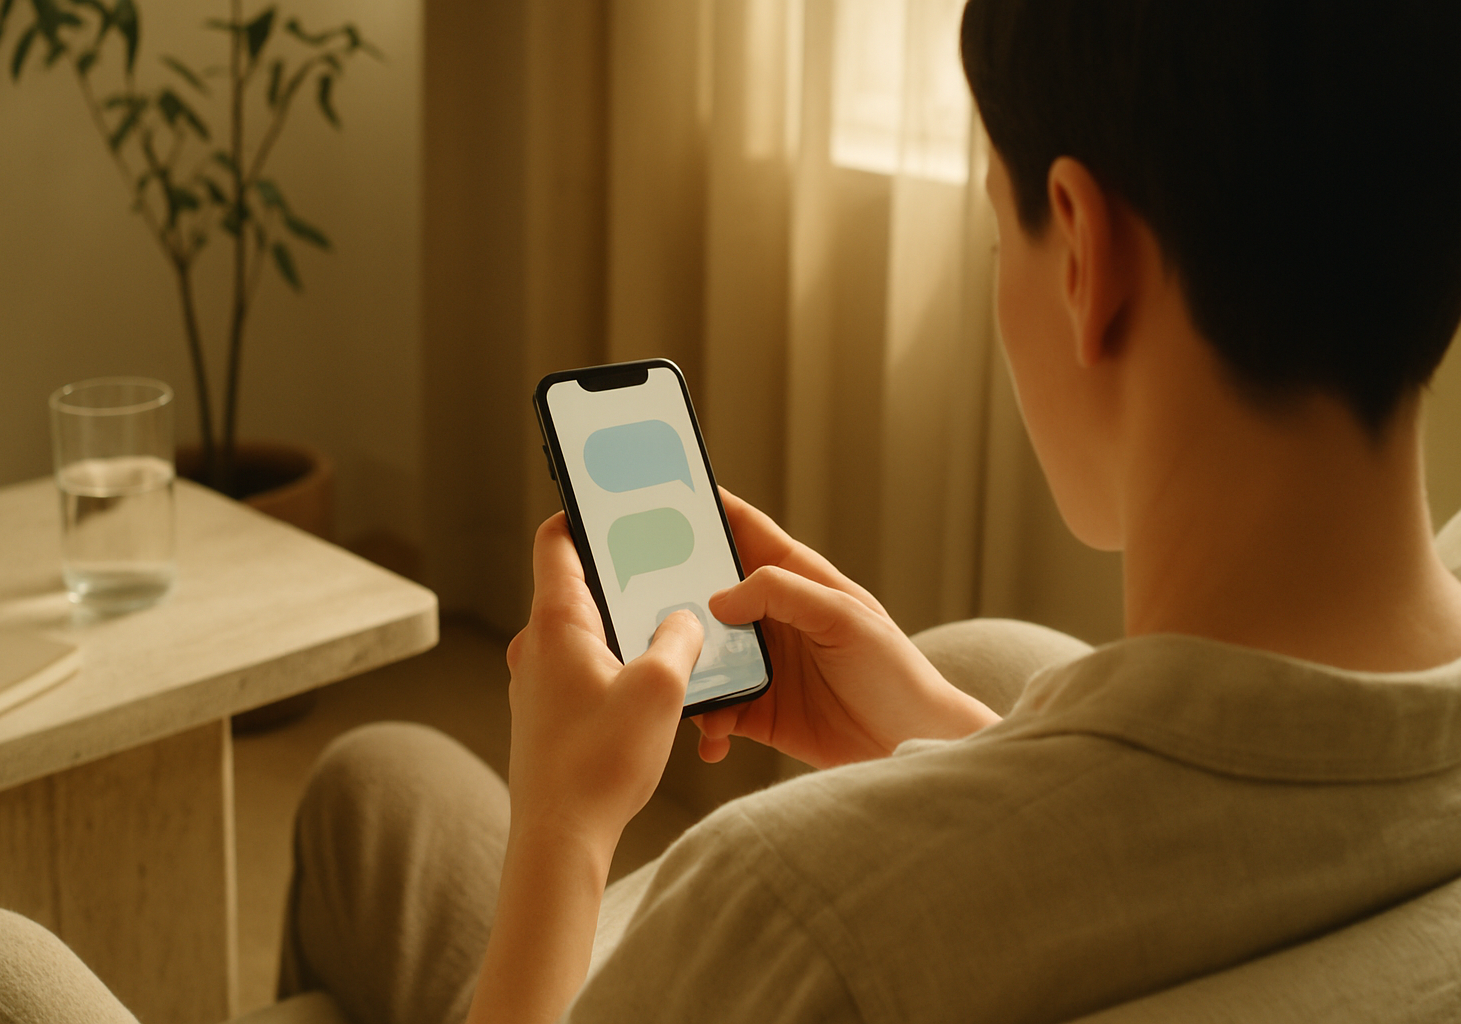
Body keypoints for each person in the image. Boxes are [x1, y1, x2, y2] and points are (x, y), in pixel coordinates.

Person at [278, 2, 1461, 1023]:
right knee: (989, 659)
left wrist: (559, 830)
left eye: (1003, 231)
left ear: (1085, 259)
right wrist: (953, 733)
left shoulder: (798, 916)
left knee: (368, 786)